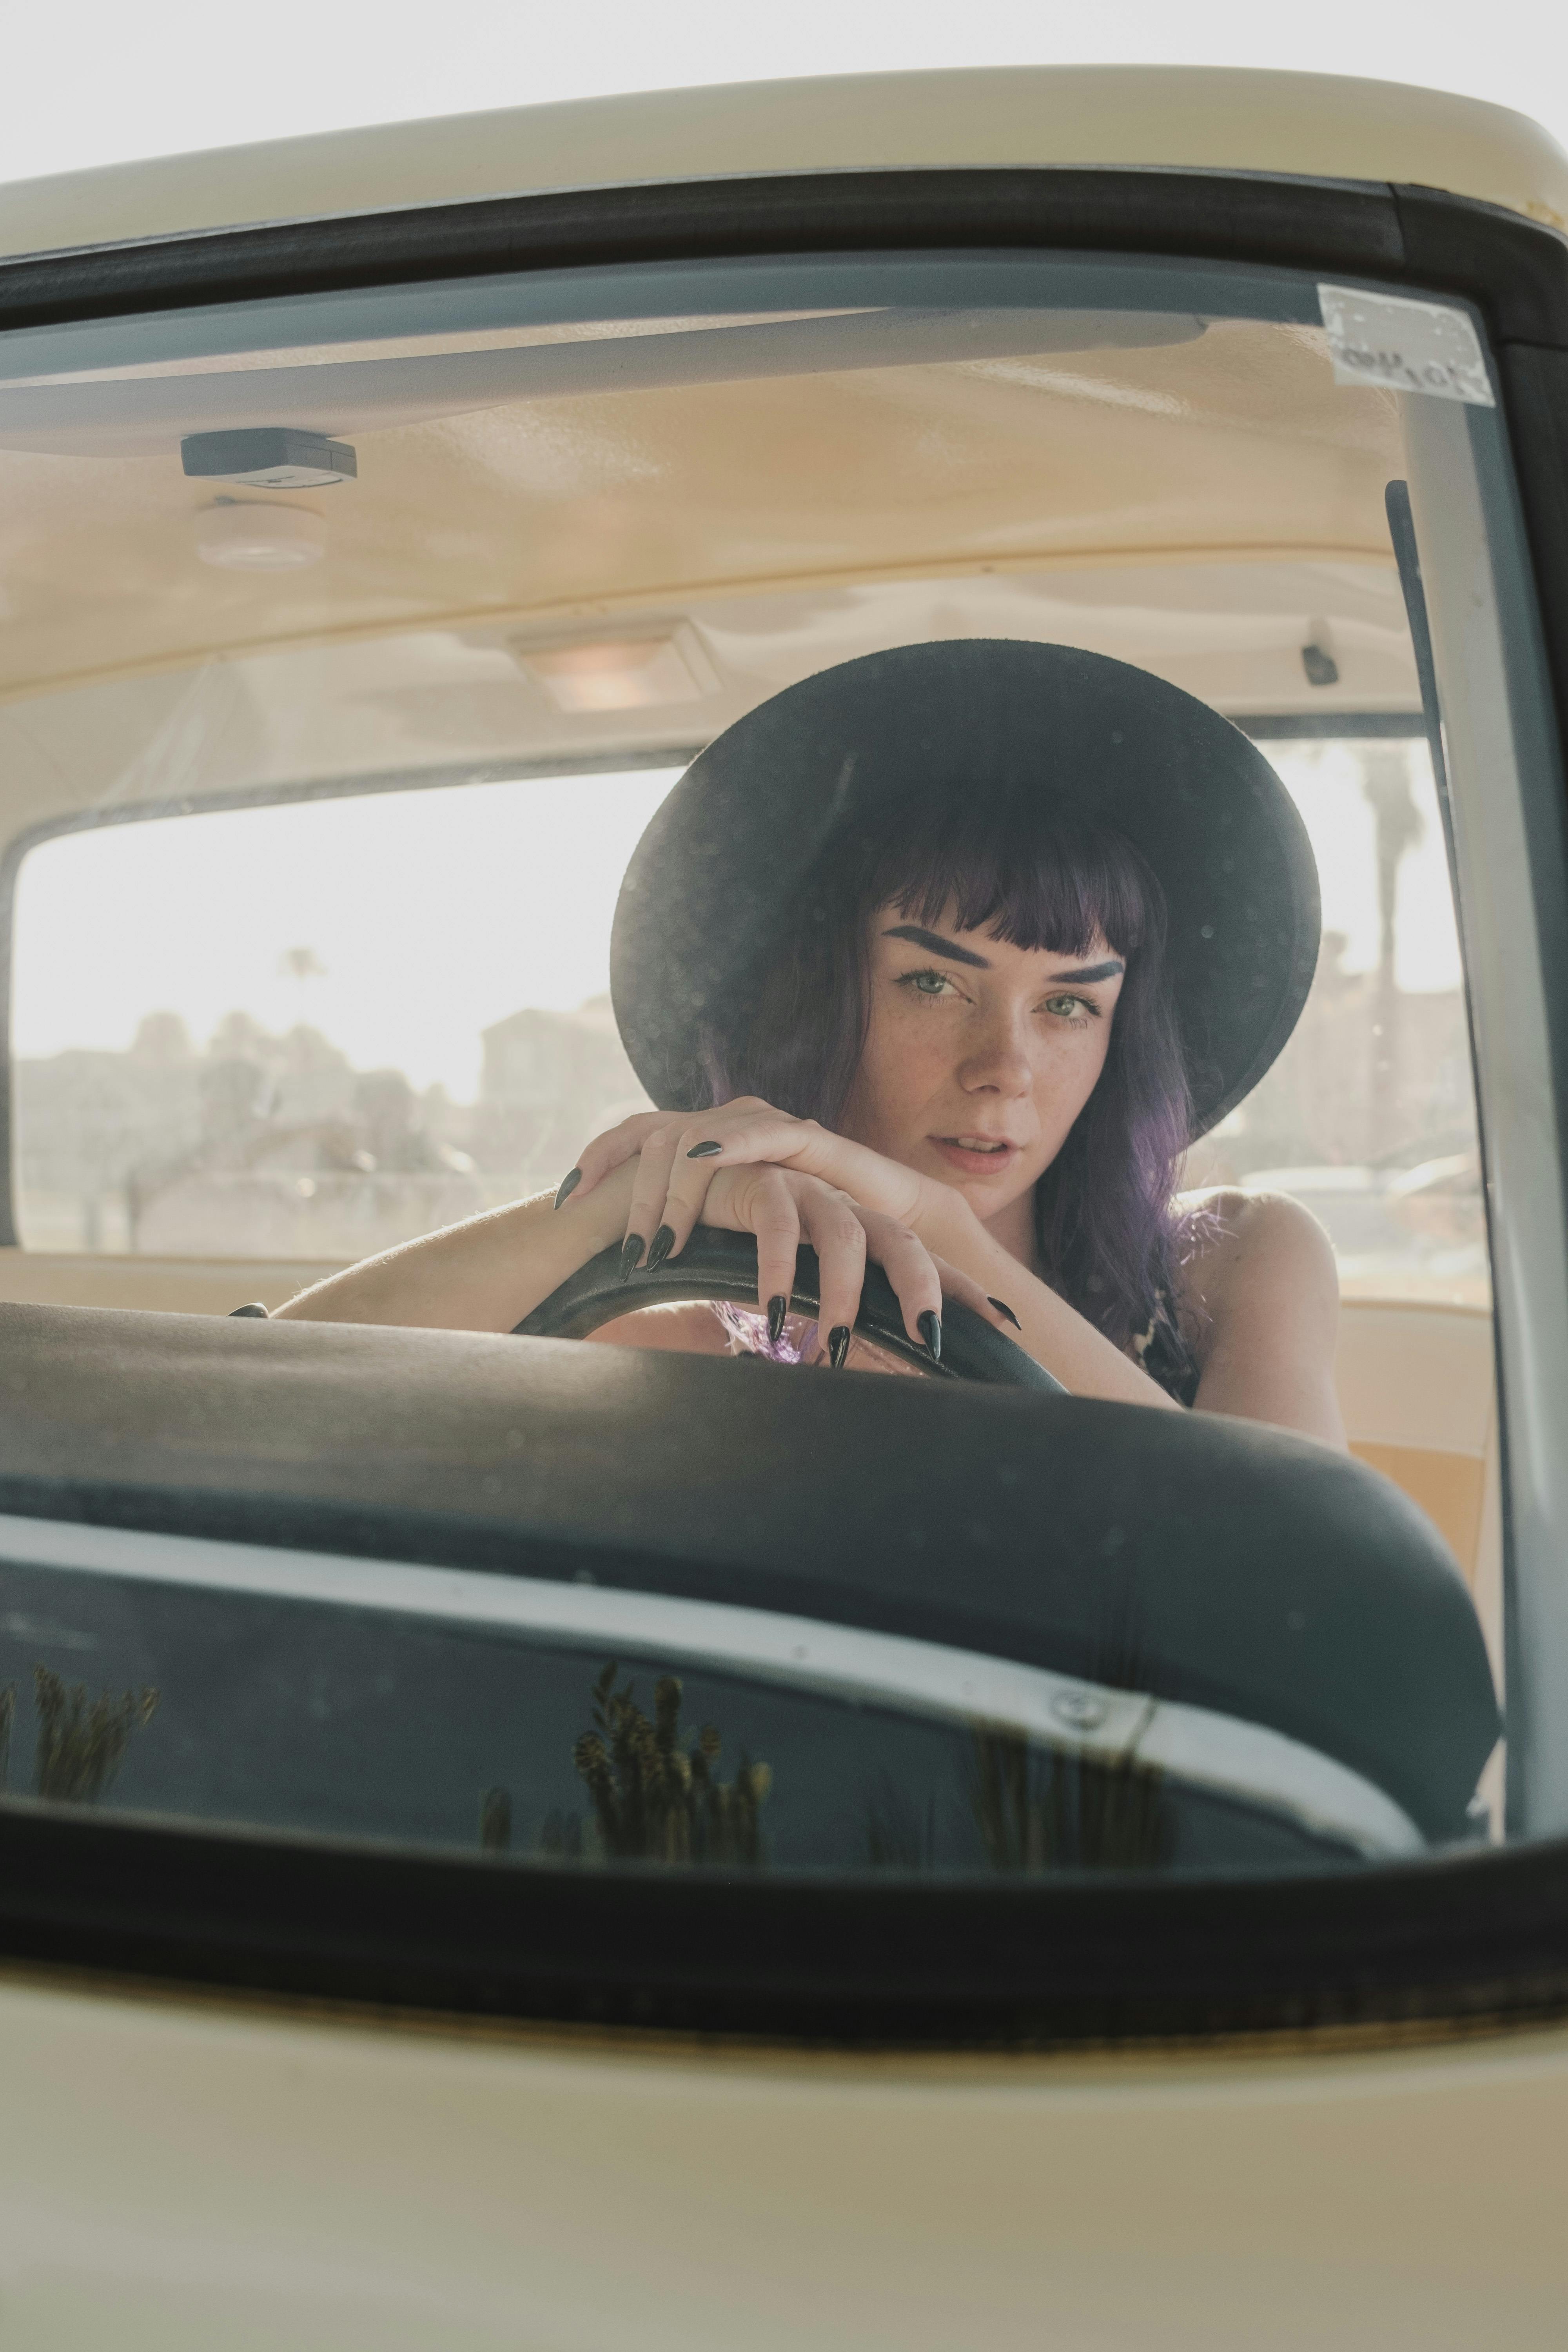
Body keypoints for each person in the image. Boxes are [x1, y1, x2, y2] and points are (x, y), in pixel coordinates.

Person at [274, 641, 1344, 1447]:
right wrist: (615, 1206)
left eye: (1068, 1004)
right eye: (933, 982)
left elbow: (1301, 1579)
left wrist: (942, 1236)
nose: (1005, 1068)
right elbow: (251, 1399)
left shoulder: (1233, 1266)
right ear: (821, 997)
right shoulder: (673, 1325)